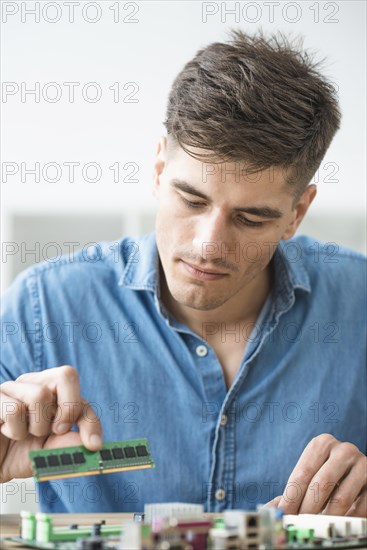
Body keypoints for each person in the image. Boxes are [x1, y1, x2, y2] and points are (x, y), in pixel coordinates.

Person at [1, 30, 366, 517]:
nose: (208, 245)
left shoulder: (359, 301)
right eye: (191, 200)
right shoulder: (43, 306)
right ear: (158, 169)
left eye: (250, 218)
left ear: (298, 212)